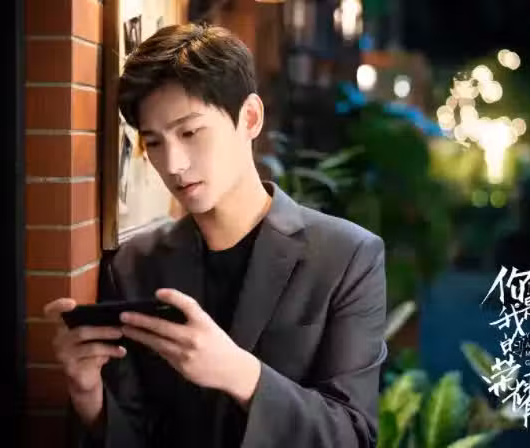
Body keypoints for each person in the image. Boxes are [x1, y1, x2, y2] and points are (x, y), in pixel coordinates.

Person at [44, 23, 387, 448]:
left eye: (190, 132)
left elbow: (353, 435)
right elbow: (137, 434)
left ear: (250, 118)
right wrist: (89, 396)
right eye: (154, 143)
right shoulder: (134, 265)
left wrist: (240, 374)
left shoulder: (347, 257)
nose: (174, 164)